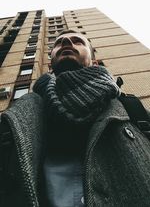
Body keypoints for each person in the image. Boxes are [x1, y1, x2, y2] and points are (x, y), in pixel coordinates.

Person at [0, 30, 150, 207]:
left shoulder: (131, 107)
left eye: (77, 41)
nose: (66, 44)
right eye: (59, 42)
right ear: (51, 63)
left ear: (94, 63)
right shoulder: (16, 115)